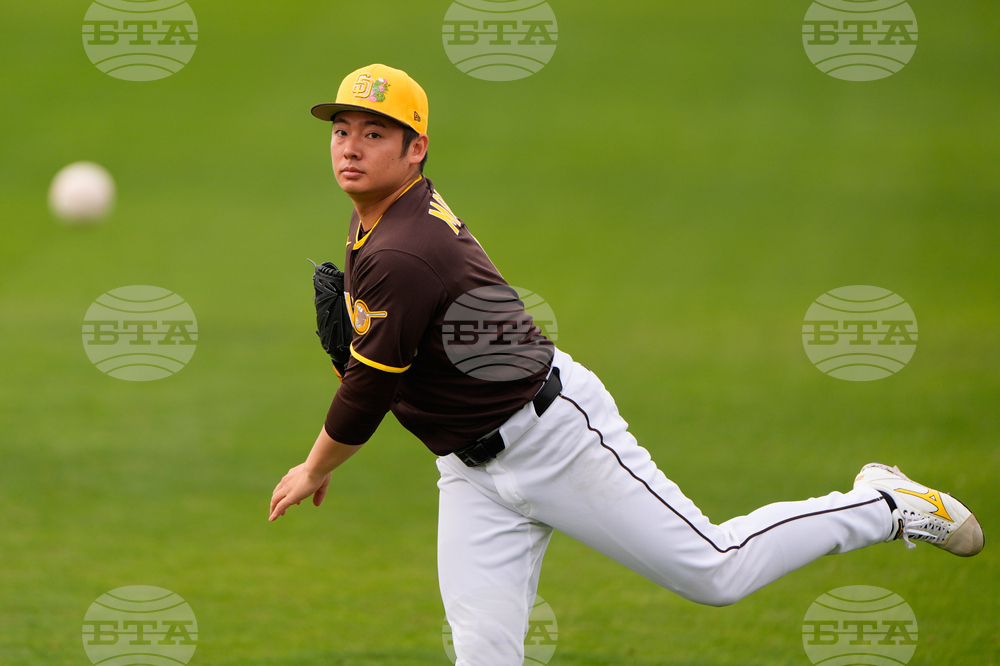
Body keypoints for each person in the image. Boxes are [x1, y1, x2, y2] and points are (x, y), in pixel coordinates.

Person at [269, 64, 984, 665]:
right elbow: (390, 370)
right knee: (483, 654)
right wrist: (364, 358)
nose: (350, 147)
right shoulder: (381, 222)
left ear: (416, 148)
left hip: (553, 437)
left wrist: (315, 467)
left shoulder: (401, 250)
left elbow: (369, 390)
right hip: (471, 473)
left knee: (716, 571)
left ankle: (885, 504)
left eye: (374, 133)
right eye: (340, 131)